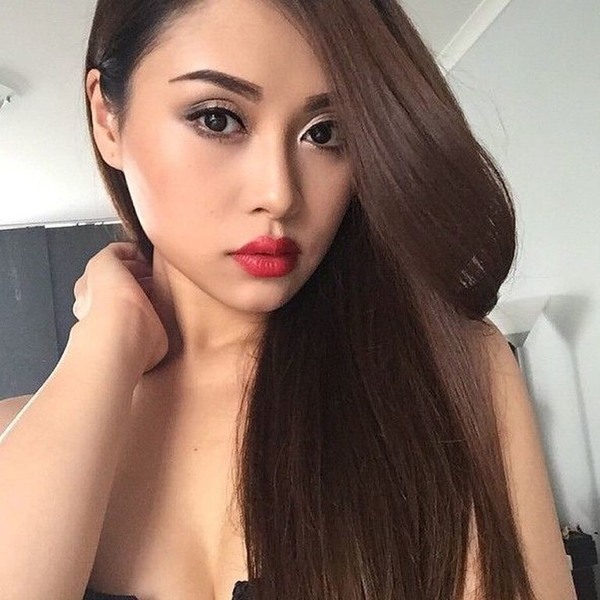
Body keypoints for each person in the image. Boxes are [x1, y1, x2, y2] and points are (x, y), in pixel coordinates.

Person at [0, 0, 577, 599]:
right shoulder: (19, 436)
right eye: (218, 119)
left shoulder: (450, 375)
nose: (279, 193)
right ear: (107, 119)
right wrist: (108, 338)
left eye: (324, 133)